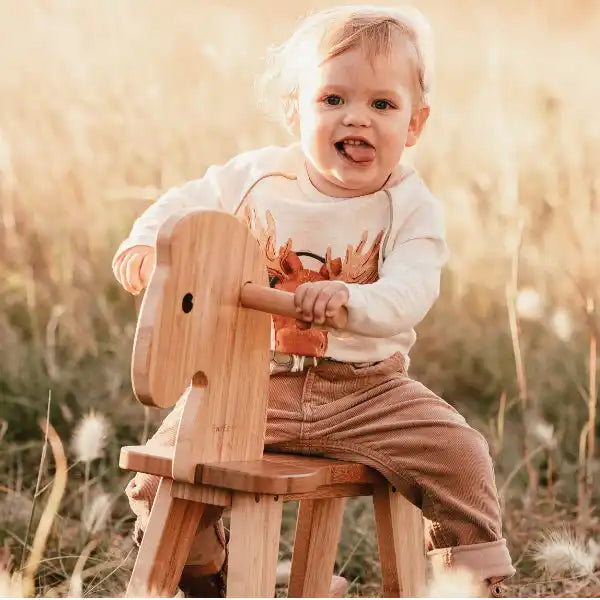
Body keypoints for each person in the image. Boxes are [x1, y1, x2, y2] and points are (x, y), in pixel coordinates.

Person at [113, 4, 514, 597]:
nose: (357, 118)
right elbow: (180, 207)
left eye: (383, 104)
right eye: (333, 100)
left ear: (414, 125)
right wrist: (148, 247)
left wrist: (351, 299)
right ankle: (208, 576)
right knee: (160, 476)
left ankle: (473, 584)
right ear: (293, 108)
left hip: (368, 391)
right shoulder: (256, 177)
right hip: (253, 383)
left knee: (461, 456)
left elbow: (410, 292)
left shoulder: (411, 205)